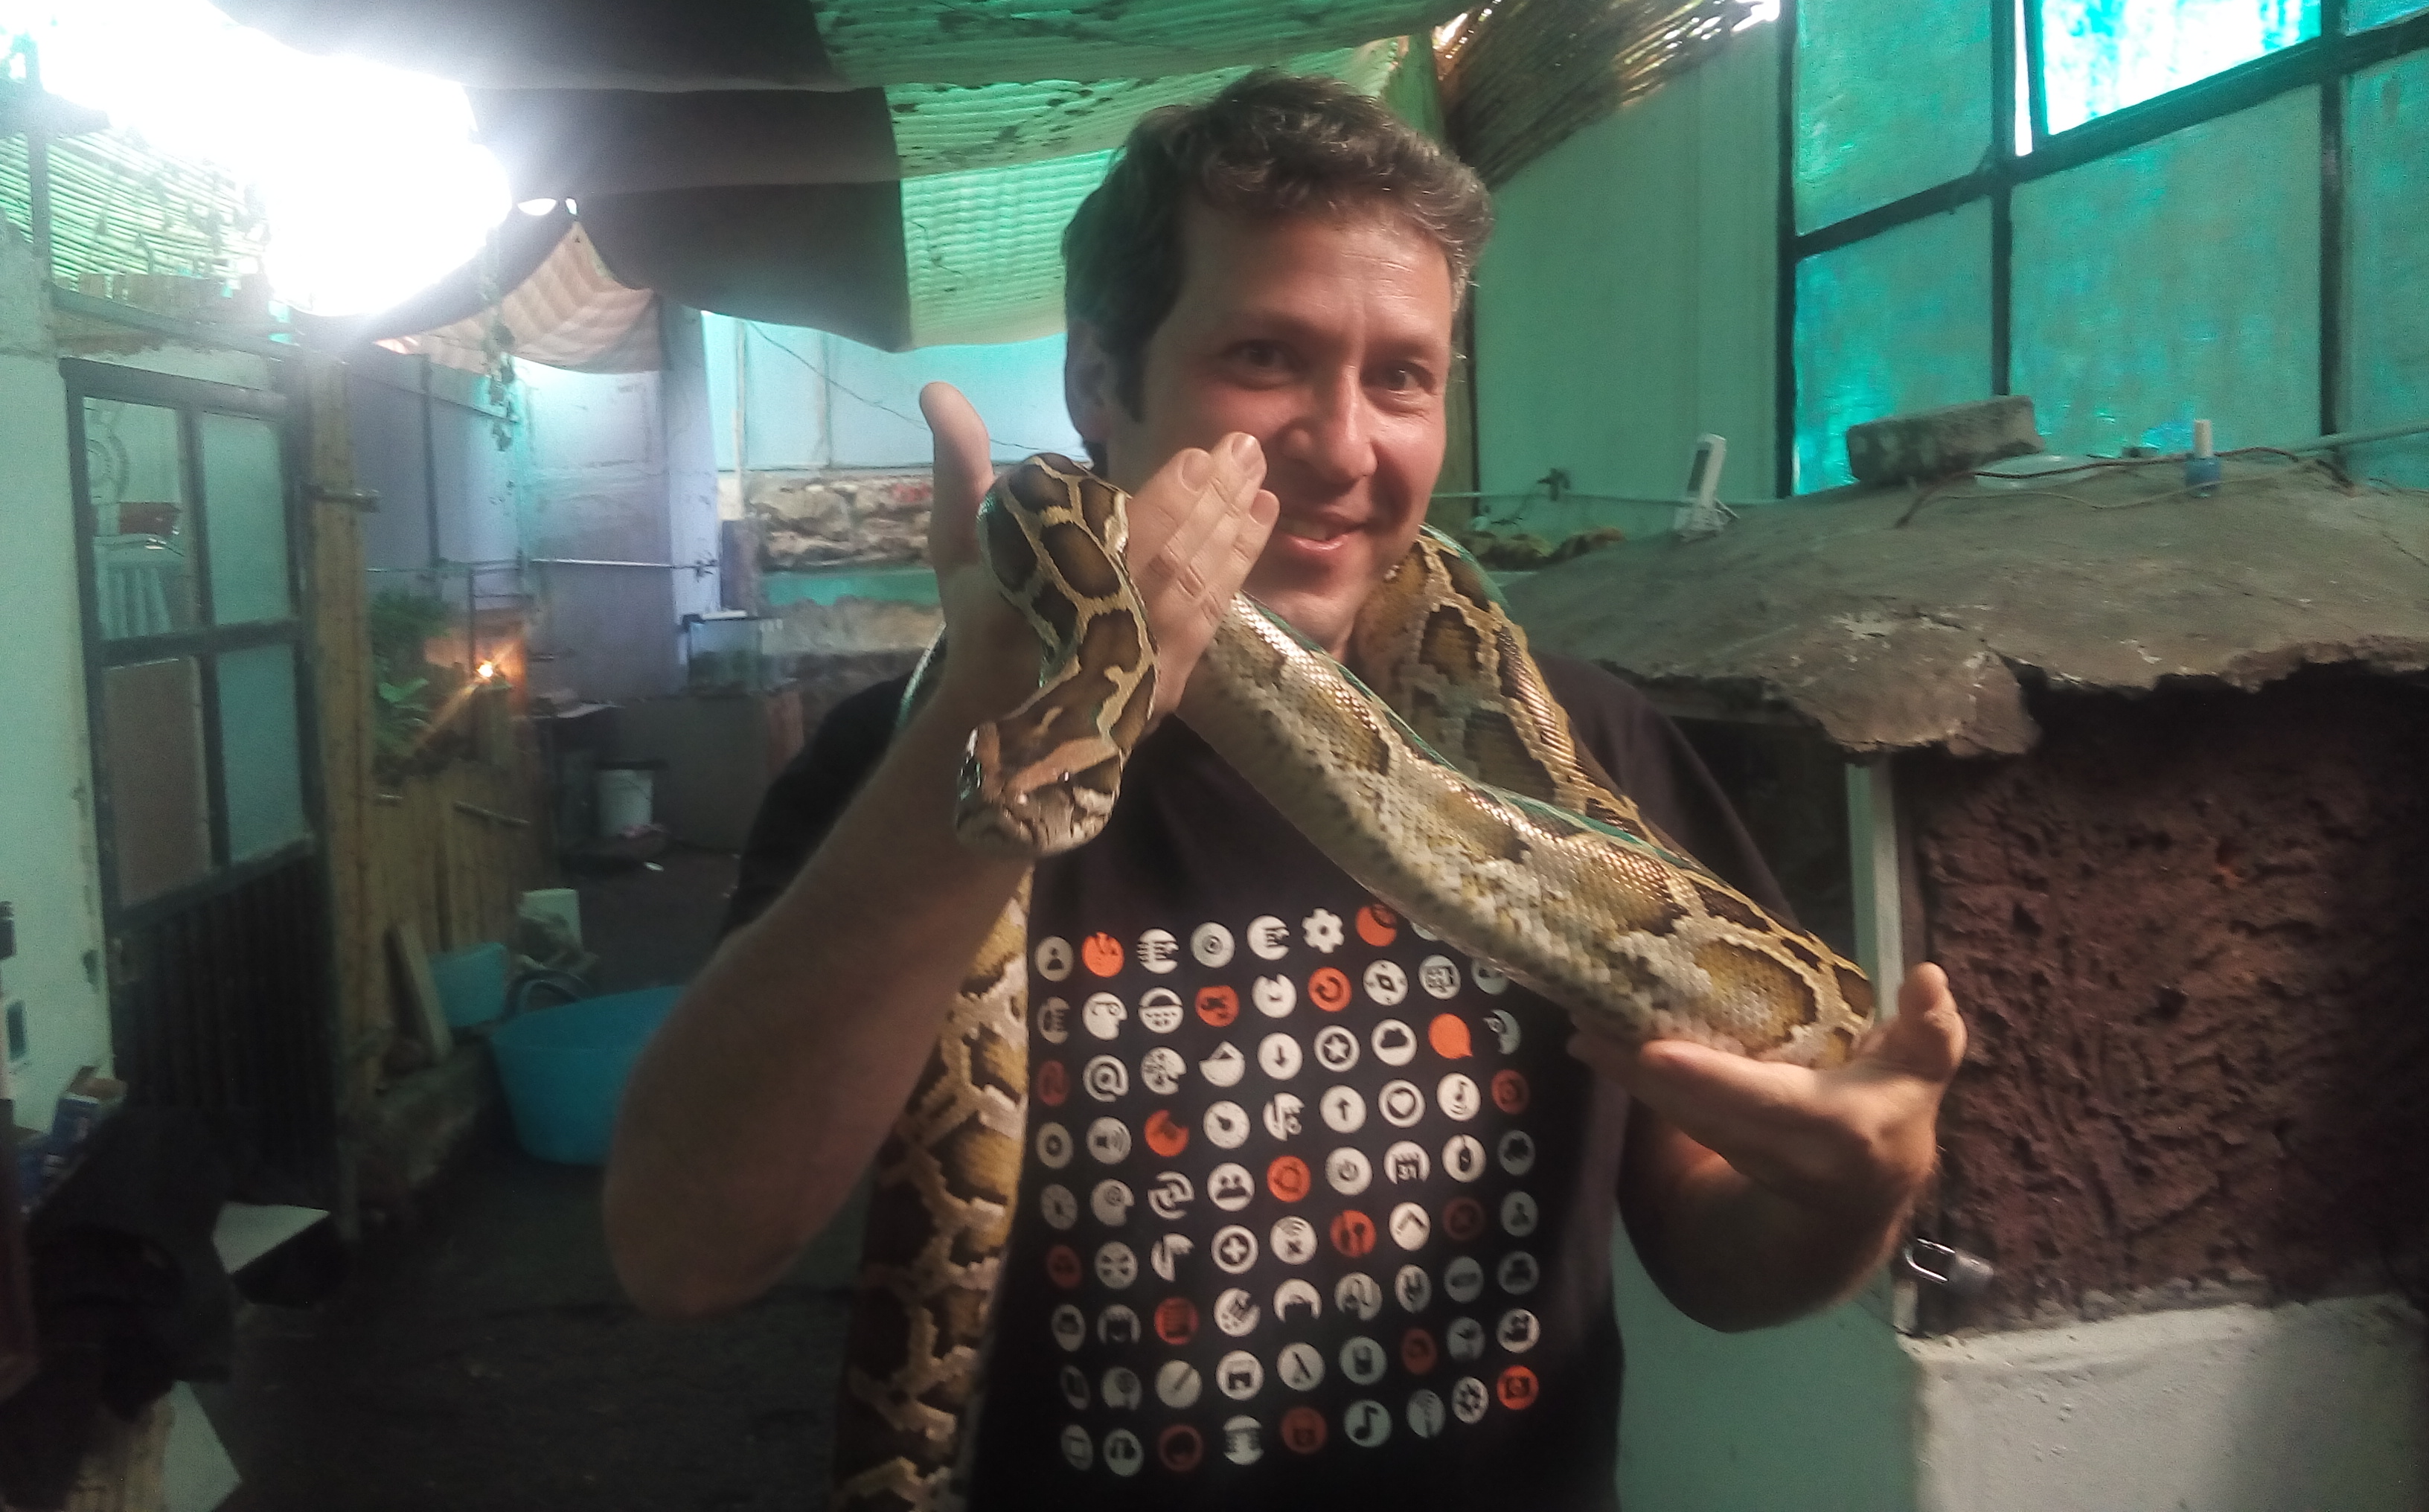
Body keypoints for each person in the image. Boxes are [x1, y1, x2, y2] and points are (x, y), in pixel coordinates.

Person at [605, 72, 1967, 1507]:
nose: (1347, 447)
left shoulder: (1595, 746)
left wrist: (1857, 1195)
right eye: (1266, 357)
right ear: (1098, 383)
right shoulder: (896, 760)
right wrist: (980, 718)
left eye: (1404, 378)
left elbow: (1717, 1261)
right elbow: (685, 1253)